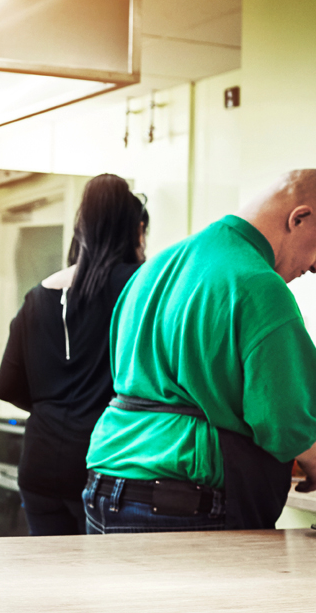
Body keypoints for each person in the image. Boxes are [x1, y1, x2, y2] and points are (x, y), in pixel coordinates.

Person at [84, 169, 316, 534]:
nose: (315, 267)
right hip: (184, 499)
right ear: (300, 218)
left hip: (106, 481)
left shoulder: (161, 265)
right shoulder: (259, 285)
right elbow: (286, 423)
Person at [0, 174, 148, 536]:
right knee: (100, 583)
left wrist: (57, 408)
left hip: (40, 463)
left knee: (51, 581)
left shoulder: (38, 296)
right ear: (136, 229)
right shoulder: (141, 286)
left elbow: (6, 385)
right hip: (105, 461)